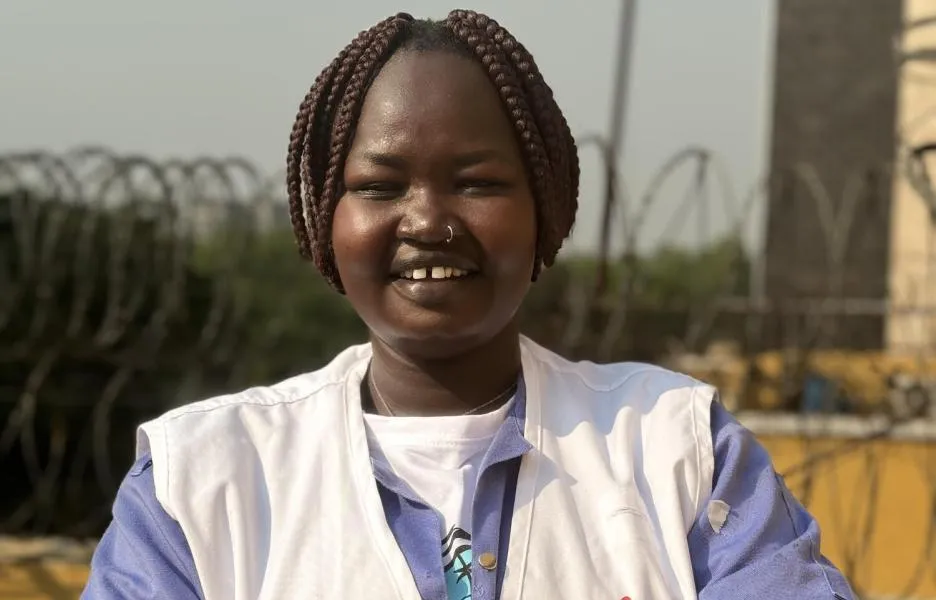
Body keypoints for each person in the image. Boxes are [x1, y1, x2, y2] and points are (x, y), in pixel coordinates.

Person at [82, 10, 854, 600]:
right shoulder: (202, 482)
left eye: (478, 182)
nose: (426, 222)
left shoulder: (677, 450)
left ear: (544, 209)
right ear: (324, 218)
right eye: (380, 187)